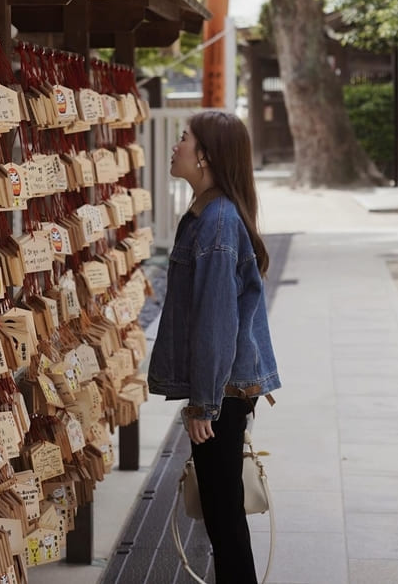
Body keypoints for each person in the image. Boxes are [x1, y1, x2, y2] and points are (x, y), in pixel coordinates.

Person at [148, 110, 281, 584]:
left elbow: (216, 322)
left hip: (221, 394)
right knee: (223, 519)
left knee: (225, 523)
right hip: (222, 391)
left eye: (183, 138)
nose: (175, 145)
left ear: (205, 155)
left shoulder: (218, 221)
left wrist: (204, 405)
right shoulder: (207, 214)